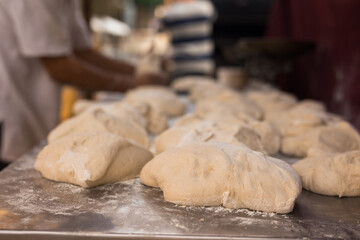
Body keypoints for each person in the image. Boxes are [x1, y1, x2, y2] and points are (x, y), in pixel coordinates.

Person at [0, 0, 168, 165]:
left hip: (35, 111)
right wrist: (133, 84)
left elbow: (83, 53)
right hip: (10, 112)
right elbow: (59, 67)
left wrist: (138, 72)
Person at [160, 0, 216, 78]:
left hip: (181, 65)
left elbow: (160, 28)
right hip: (204, 64)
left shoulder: (170, 13)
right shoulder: (206, 7)